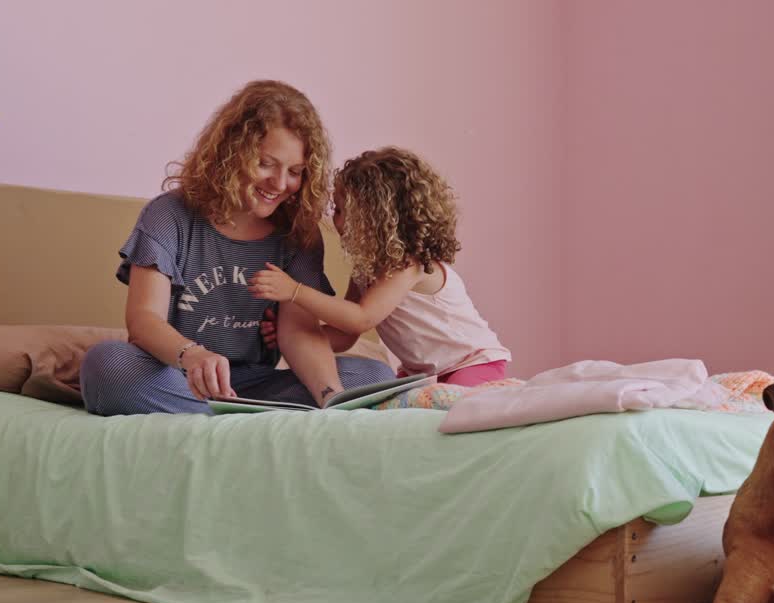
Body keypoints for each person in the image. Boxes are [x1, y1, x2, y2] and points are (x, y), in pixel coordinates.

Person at [81, 80, 394, 415]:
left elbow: (298, 333)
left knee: (374, 376)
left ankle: (227, 415)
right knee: (108, 365)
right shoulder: (168, 215)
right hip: (179, 375)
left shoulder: (298, 234)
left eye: (295, 171)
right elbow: (143, 320)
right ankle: (250, 418)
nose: (279, 183)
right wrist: (192, 355)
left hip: (258, 383)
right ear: (232, 153)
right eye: (266, 164)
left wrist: (329, 395)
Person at [251, 147, 510, 387]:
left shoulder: (408, 265)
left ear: (373, 218)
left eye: (339, 210)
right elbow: (345, 334)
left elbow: (361, 319)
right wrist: (293, 337)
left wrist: (295, 291)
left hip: (471, 362)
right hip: (423, 372)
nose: (334, 219)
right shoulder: (366, 269)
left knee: (459, 409)